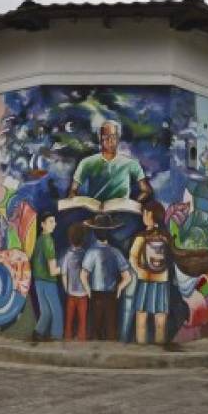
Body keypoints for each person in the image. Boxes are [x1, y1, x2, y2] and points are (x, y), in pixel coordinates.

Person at [69, 120, 153, 203]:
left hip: (121, 209)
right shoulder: (87, 162)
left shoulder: (131, 163)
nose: (109, 141)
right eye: (105, 137)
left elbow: (146, 190)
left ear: (118, 138)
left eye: (113, 137)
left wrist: (134, 204)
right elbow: (73, 190)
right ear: (100, 138)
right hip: (94, 210)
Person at [79, 214, 132, 340]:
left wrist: (88, 292)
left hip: (96, 294)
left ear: (95, 232)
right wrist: (119, 288)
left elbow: (83, 275)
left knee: (95, 328)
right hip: (111, 295)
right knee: (111, 328)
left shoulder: (91, 252)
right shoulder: (116, 252)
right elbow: (127, 277)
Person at [129, 202, 173, 345]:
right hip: (162, 281)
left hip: (145, 281)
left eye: (145, 213)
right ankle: (159, 346)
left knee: (141, 316)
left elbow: (133, 258)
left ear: (149, 215)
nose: (143, 216)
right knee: (160, 318)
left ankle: (141, 346)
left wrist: (139, 271)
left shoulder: (141, 236)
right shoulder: (166, 237)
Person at [30, 213, 63, 342]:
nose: (54, 224)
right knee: (57, 311)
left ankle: (38, 333)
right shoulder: (48, 241)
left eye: (54, 221)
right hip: (49, 281)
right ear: (42, 224)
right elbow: (53, 270)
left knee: (46, 312)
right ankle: (56, 337)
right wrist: (66, 268)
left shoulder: (38, 240)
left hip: (38, 281)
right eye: (50, 221)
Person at [61, 222, 90, 341]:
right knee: (82, 319)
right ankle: (81, 337)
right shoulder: (85, 254)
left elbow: (63, 273)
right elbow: (88, 273)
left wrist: (66, 288)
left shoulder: (67, 255)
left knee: (69, 318)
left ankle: (68, 336)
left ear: (70, 239)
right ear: (83, 239)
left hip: (71, 292)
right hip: (83, 293)